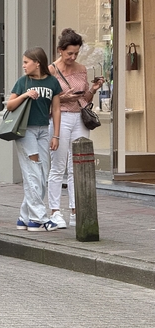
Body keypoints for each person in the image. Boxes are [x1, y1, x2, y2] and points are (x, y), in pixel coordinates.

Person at [47, 29, 105, 228]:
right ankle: (54, 211)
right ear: (60, 50)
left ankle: (75, 210)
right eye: (69, 53)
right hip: (59, 118)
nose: (72, 57)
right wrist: (62, 98)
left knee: (77, 166)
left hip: (79, 118)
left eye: (76, 53)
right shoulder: (51, 70)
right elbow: (45, 100)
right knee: (58, 166)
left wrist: (93, 90)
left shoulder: (81, 69)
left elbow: (85, 99)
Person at [8, 47, 62, 232]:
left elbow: (56, 109)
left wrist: (56, 135)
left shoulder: (52, 82)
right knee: (32, 172)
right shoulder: (23, 82)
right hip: (26, 131)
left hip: (44, 130)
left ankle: (25, 218)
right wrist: (25, 95)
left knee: (42, 173)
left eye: (26, 62)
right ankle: (40, 218)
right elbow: (10, 105)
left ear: (37, 63)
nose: (23, 66)